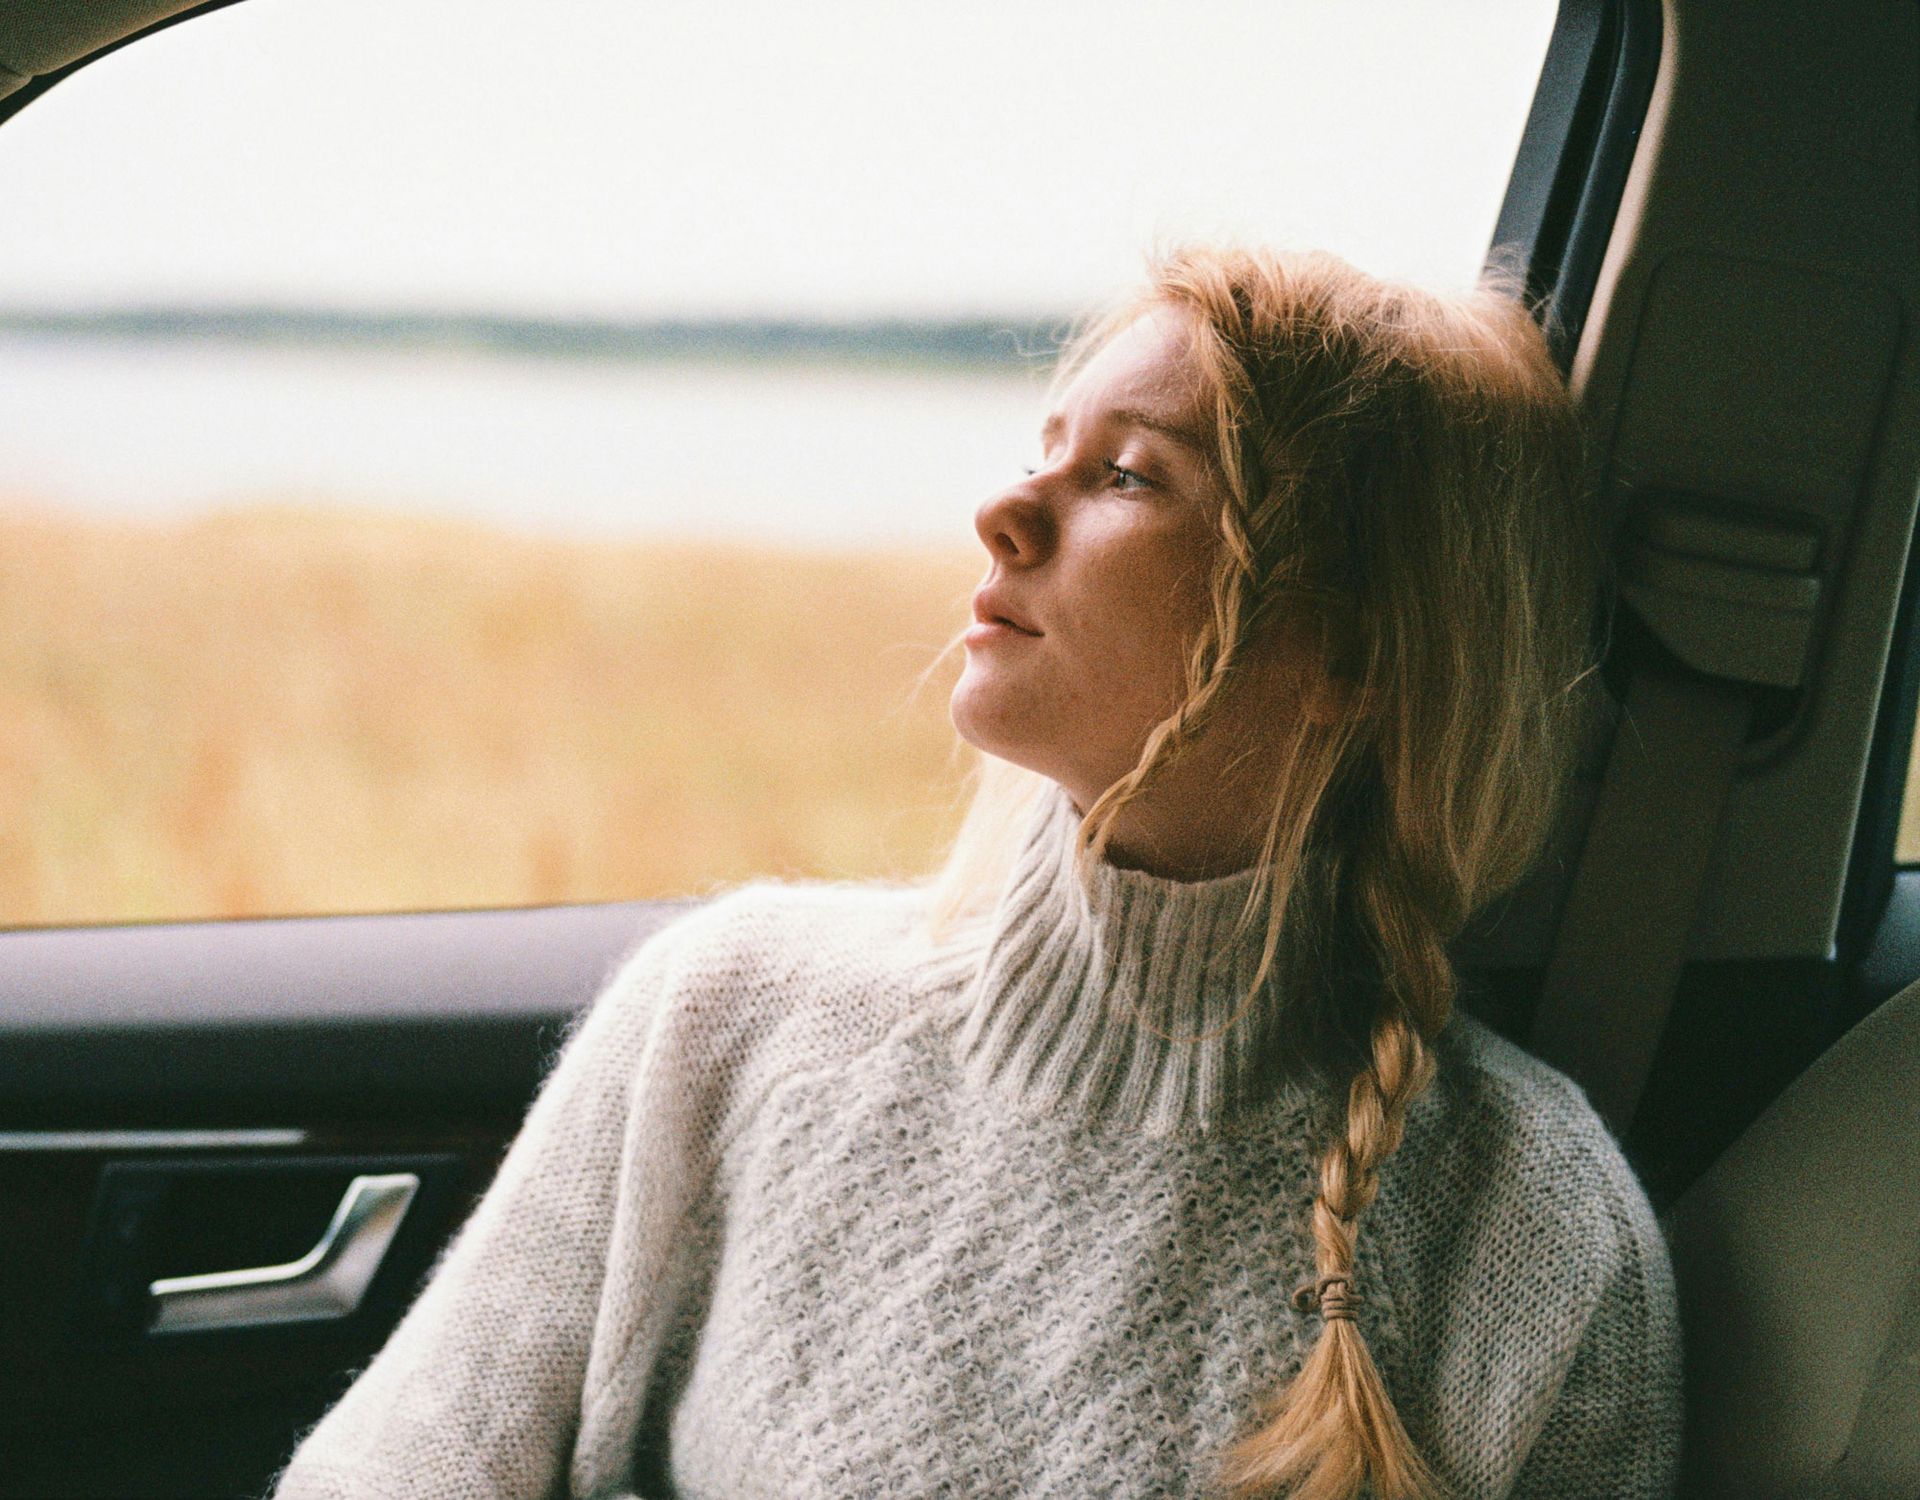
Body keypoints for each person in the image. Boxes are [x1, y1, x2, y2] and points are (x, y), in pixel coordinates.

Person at [268, 246, 1681, 1500]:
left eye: (1129, 474)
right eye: (1041, 446)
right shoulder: (733, 1009)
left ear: (1353, 654)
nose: (1004, 511)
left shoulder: (1533, 1232)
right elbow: (397, 1463)